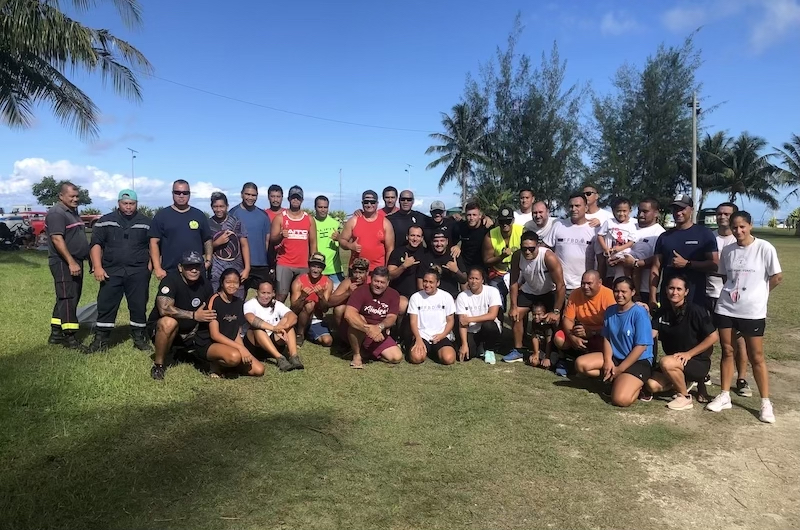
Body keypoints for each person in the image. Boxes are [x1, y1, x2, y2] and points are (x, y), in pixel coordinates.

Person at [707, 211, 783, 423]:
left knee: (756, 355)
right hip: (726, 308)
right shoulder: (728, 250)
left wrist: (760, 295)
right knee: (727, 351)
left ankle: (765, 402)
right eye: (735, 227)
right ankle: (724, 396)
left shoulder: (764, 248)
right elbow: (726, 276)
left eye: (742, 227)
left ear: (750, 225)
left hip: (753, 311)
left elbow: (776, 277)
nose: (738, 231)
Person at [87, 189, 153, 352]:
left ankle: (139, 338)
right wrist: (98, 267)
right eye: (125, 203)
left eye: (132, 204)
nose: (129, 207)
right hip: (111, 271)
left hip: (138, 271)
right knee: (106, 305)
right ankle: (101, 339)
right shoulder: (105, 221)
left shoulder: (146, 222)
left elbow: (154, 245)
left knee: (138, 306)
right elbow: (96, 244)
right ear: (118, 203)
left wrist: (150, 267)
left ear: (137, 204)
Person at [574, 277, 654, 407]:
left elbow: (641, 346)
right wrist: (608, 360)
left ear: (632, 292)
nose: (619, 295)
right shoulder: (610, 311)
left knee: (620, 400)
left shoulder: (639, 313)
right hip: (616, 356)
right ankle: (617, 379)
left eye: (624, 291)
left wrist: (620, 369)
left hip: (638, 360)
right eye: (616, 291)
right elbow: (607, 337)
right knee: (581, 364)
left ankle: (638, 387)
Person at [645, 276, 719, 410]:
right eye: (671, 288)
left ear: (686, 292)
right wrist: (639, 311)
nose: (675, 292)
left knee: (666, 362)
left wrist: (689, 354)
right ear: (666, 290)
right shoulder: (662, 312)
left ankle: (684, 397)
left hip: (696, 361)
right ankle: (683, 381)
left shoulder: (696, 311)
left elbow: (713, 337)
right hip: (674, 361)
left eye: (679, 289)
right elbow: (650, 336)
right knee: (651, 385)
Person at [147, 251, 215, 381]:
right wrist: (194, 315)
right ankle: (159, 365)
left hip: (192, 332)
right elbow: (164, 309)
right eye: (189, 266)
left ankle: (196, 355)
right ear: (180, 267)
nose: (194, 270)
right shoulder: (170, 280)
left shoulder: (205, 283)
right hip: (164, 330)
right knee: (168, 322)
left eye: (197, 266)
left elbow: (208, 310)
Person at [706, 202, 750, 396]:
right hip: (708, 294)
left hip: (733, 299)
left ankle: (741, 379)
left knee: (738, 341)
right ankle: (704, 373)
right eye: (719, 213)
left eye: (726, 214)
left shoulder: (740, 238)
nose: (722, 217)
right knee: (707, 335)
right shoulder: (709, 237)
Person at [649, 194, 717, 309]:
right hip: (669, 298)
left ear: (691, 209)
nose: (678, 213)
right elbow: (655, 268)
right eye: (675, 209)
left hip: (695, 298)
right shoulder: (664, 237)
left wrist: (688, 264)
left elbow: (714, 265)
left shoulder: (704, 234)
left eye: (682, 209)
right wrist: (652, 297)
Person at [506, 231, 566, 362]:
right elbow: (514, 282)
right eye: (524, 248)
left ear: (538, 246)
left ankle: (558, 354)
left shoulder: (548, 257)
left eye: (531, 249)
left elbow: (561, 285)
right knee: (516, 315)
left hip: (548, 292)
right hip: (529, 290)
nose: (527, 252)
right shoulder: (517, 256)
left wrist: (556, 311)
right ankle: (518, 350)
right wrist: (513, 306)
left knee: (556, 321)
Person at [194, 268, 265, 378]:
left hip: (229, 343)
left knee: (259, 370)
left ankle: (230, 366)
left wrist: (244, 350)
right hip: (208, 343)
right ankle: (213, 364)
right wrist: (240, 349)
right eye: (228, 282)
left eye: (235, 282)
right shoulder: (214, 300)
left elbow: (236, 332)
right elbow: (215, 335)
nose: (232, 286)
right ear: (222, 283)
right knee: (235, 356)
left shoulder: (238, 302)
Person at [45, 181, 90, 350]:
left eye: (77, 196)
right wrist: (71, 262)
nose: (75, 199)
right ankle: (70, 338)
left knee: (68, 296)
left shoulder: (72, 212)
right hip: (64, 262)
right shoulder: (57, 213)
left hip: (75, 261)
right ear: (61, 196)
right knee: (68, 298)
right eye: (72, 196)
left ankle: (56, 333)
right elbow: (57, 239)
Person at [553, 270, 616, 376]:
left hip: (602, 335)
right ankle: (565, 360)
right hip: (581, 332)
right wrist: (573, 337)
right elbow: (568, 319)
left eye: (589, 283)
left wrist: (593, 332)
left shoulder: (610, 296)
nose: (585, 287)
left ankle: (599, 364)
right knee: (559, 339)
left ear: (599, 283)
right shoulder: (575, 293)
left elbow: (613, 327)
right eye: (583, 283)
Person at [149, 180, 212, 280]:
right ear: (172, 193)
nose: (181, 195)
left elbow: (207, 239)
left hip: (195, 272)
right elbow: (154, 242)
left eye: (185, 193)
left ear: (189, 194)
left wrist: (208, 261)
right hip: (170, 272)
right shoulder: (162, 216)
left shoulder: (199, 215)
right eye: (177, 192)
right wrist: (157, 268)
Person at [343, 266, 404, 369]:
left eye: (382, 282)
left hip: (379, 332)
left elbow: (392, 318)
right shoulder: (360, 291)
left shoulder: (393, 294)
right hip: (360, 330)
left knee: (396, 357)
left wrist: (379, 327)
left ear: (388, 283)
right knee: (358, 318)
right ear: (371, 280)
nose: (378, 285)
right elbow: (349, 314)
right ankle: (357, 355)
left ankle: (366, 352)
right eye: (376, 281)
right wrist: (369, 329)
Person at [243, 278, 303, 372]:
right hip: (255, 346)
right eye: (263, 293)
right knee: (257, 328)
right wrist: (274, 328)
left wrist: (284, 327)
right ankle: (280, 358)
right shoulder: (250, 304)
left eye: (268, 293)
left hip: (273, 341)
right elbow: (251, 319)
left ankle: (294, 357)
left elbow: (293, 316)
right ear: (257, 292)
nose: (266, 296)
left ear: (273, 293)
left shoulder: (277, 304)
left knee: (288, 324)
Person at [610, 198, 664, 300]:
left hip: (645, 290)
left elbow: (659, 259)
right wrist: (615, 259)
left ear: (656, 213)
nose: (641, 215)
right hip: (620, 288)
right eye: (639, 211)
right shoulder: (628, 226)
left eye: (645, 211)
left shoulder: (660, 233)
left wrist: (635, 263)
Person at [544, 192, 596, 298]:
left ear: (586, 208)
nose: (573, 209)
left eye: (577, 206)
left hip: (584, 286)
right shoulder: (558, 225)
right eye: (571, 206)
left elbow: (600, 258)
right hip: (559, 286)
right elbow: (544, 250)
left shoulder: (594, 229)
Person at [270, 185, 317, 302]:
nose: (295, 200)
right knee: (281, 296)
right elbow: (272, 240)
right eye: (293, 198)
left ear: (302, 200)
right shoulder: (280, 218)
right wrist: (281, 235)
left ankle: (296, 320)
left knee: (300, 297)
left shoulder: (309, 219)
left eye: (298, 198)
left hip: (303, 265)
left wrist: (314, 264)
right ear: (289, 199)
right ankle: (274, 319)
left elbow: (313, 243)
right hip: (284, 263)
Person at [407, 268, 457, 365]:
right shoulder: (415, 297)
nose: (427, 285)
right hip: (422, 335)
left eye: (431, 282)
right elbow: (413, 321)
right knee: (416, 359)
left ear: (437, 283)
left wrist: (442, 335)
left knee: (449, 359)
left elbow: (450, 321)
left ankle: (435, 351)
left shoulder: (446, 297)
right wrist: (418, 338)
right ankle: (426, 351)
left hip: (440, 335)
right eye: (425, 281)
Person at [229, 183, 272, 292]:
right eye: (247, 194)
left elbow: (267, 240)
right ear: (242, 194)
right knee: (238, 296)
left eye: (253, 195)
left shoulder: (263, 215)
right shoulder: (233, 214)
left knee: (266, 296)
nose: (250, 198)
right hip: (240, 264)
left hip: (261, 264)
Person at [339, 189, 394, 272]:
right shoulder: (353, 221)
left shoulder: (385, 223)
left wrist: (386, 270)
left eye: (372, 202)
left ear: (377, 204)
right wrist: (350, 246)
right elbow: (342, 240)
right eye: (366, 202)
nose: (369, 205)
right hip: (356, 270)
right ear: (362, 203)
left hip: (377, 270)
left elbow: (390, 249)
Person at [455, 267, 502, 363]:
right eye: (471, 278)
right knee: (467, 356)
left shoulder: (492, 291)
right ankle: (478, 346)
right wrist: (464, 344)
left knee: (489, 325)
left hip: (488, 327)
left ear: (482, 280)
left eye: (477, 279)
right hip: (471, 330)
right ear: (468, 279)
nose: (473, 281)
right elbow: (462, 322)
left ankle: (489, 349)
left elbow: (492, 315)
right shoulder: (462, 296)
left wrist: (470, 319)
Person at [208, 192, 249, 298]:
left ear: (227, 206)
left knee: (237, 302)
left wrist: (247, 268)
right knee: (216, 301)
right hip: (215, 272)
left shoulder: (236, 222)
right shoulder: (208, 224)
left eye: (221, 206)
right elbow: (203, 248)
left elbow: (244, 245)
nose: (218, 209)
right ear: (211, 207)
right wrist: (217, 243)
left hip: (236, 270)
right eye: (215, 206)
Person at [482, 206, 522, 313]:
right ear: (497, 221)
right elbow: (487, 261)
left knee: (520, 304)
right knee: (497, 303)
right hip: (498, 272)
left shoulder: (522, 231)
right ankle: (498, 324)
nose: (505, 224)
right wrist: (502, 257)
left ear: (513, 220)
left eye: (508, 221)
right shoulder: (490, 235)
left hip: (518, 271)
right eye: (502, 221)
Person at [290, 252, 333, 347]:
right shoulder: (299, 281)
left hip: (315, 318)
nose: (316, 270)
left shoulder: (327, 282)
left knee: (327, 341)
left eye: (319, 267)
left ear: (323, 269)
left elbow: (325, 309)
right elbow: (293, 309)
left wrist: (321, 297)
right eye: (314, 266)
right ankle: (300, 334)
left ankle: (307, 332)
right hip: (299, 316)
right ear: (309, 266)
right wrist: (303, 297)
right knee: (310, 305)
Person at [597, 197, 638, 282]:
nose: (621, 214)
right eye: (618, 211)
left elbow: (631, 242)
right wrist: (605, 248)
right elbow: (600, 235)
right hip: (611, 253)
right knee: (612, 268)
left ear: (629, 211)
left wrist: (620, 248)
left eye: (624, 211)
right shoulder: (609, 222)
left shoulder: (631, 225)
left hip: (625, 252)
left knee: (627, 264)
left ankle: (628, 281)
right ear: (613, 211)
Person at [417, 231, 467, 299]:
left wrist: (456, 270)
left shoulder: (454, 255)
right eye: (436, 241)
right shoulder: (426, 258)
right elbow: (420, 285)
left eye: (442, 241)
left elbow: (464, 280)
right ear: (431, 242)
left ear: (447, 241)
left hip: (452, 296)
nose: (439, 244)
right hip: (431, 297)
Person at [582, 185, 613, 280]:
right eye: (583, 194)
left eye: (588, 194)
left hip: (603, 266)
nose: (585, 196)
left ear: (596, 196)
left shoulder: (607, 216)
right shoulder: (578, 216)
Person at [388, 224, 426, 300]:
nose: (415, 239)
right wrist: (403, 266)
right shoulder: (397, 252)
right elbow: (390, 276)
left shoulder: (426, 253)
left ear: (422, 239)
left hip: (421, 294)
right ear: (407, 237)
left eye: (418, 236)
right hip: (401, 294)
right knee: (402, 306)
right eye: (412, 235)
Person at [313, 195, 345, 287]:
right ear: (315, 207)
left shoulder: (336, 223)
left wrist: (339, 238)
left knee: (337, 299)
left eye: (325, 207)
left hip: (334, 271)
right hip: (317, 269)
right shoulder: (311, 223)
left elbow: (346, 244)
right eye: (320, 207)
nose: (323, 210)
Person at [329, 257, 370, 328]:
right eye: (355, 272)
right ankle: (342, 334)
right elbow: (330, 301)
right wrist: (347, 293)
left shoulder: (371, 282)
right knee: (339, 309)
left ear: (367, 272)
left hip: (369, 309)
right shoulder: (348, 282)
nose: (357, 276)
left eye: (361, 273)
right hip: (352, 309)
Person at [455, 202, 491, 271]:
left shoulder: (486, 228)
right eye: (469, 215)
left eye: (474, 215)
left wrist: (487, 218)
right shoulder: (461, 227)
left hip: (482, 269)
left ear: (480, 216)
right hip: (465, 268)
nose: (471, 218)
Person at [264, 184, 285, 279]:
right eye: (273, 196)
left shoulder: (288, 214)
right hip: (268, 255)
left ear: (282, 198)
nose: (275, 200)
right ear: (268, 197)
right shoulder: (263, 214)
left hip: (285, 255)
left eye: (278, 197)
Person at [529, 302, 555, 368]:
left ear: (545, 313)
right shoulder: (534, 322)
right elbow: (534, 337)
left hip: (551, 351)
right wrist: (536, 353)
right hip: (541, 350)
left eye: (539, 314)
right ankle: (540, 360)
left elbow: (549, 341)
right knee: (533, 362)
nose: (536, 317)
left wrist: (547, 357)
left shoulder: (548, 325)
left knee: (547, 364)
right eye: (534, 314)